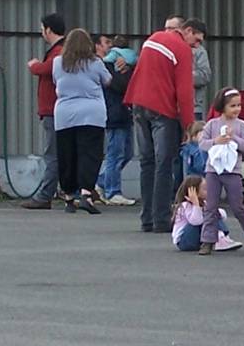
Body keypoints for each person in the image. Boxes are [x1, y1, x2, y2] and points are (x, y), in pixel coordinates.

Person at [125, 17, 203, 233]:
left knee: (147, 162)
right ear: (187, 31)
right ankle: (161, 219)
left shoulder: (153, 38)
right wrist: (189, 126)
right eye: (197, 40)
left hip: (139, 104)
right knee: (164, 163)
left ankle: (147, 218)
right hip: (162, 108)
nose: (197, 45)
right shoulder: (182, 49)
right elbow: (185, 91)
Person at [50, 27, 111, 215]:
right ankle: (86, 194)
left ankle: (69, 197)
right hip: (92, 113)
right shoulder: (95, 63)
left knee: (67, 155)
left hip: (65, 114)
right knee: (89, 155)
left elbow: (55, 82)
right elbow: (107, 80)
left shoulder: (58, 62)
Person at [196, 88, 244, 250]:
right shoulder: (212, 124)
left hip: (233, 171)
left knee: (237, 206)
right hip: (213, 171)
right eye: (232, 106)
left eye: (239, 105)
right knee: (211, 206)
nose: (237, 109)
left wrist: (233, 137)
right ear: (222, 106)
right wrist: (216, 141)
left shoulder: (242, 125)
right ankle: (208, 240)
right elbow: (202, 144)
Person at [19, 13, 66, 210]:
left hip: (53, 111)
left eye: (42, 29)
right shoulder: (59, 50)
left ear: (48, 29)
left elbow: (47, 69)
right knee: (58, 154)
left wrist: (34, 65)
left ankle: (45, 195)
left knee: (52, 155)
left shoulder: (59, 52)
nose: (41, 33)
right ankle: (66, 191)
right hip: (54, 110)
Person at [99, 41, 136, 205]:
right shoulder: (106, 66)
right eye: (106, 43)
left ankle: (100, 182)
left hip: (125, 113)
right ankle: (112, 191)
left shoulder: (126, 67)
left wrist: (129, 68)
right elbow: (120, 86)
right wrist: (125, 72)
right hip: (114, 114)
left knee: (127, 153)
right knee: (115, 154)